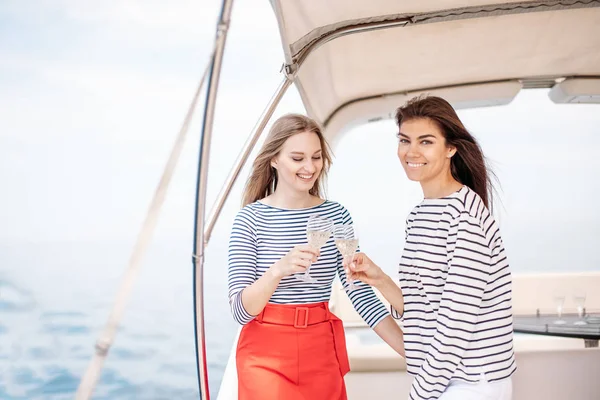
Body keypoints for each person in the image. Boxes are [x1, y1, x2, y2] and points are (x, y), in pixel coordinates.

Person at [345, 96, 516, 400]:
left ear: (451, 148)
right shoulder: (421, 214)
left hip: (471, 383)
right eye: (404, 140)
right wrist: (379, 278)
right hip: (442, 379)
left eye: (426, 142)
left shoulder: (464, 216)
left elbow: (454, 325)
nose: (411, 152)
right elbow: (424, 306)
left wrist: (421, 394)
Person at [227, 114, 405, 400]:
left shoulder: (336, 215)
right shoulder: (250, 219)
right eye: (297, 158)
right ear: (274, 159)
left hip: (321, 350)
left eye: (316, 157)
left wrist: (414, 354)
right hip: (265, 356)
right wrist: (277, 271)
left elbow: (360, 295)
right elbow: (240, 311)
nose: (310, 167)